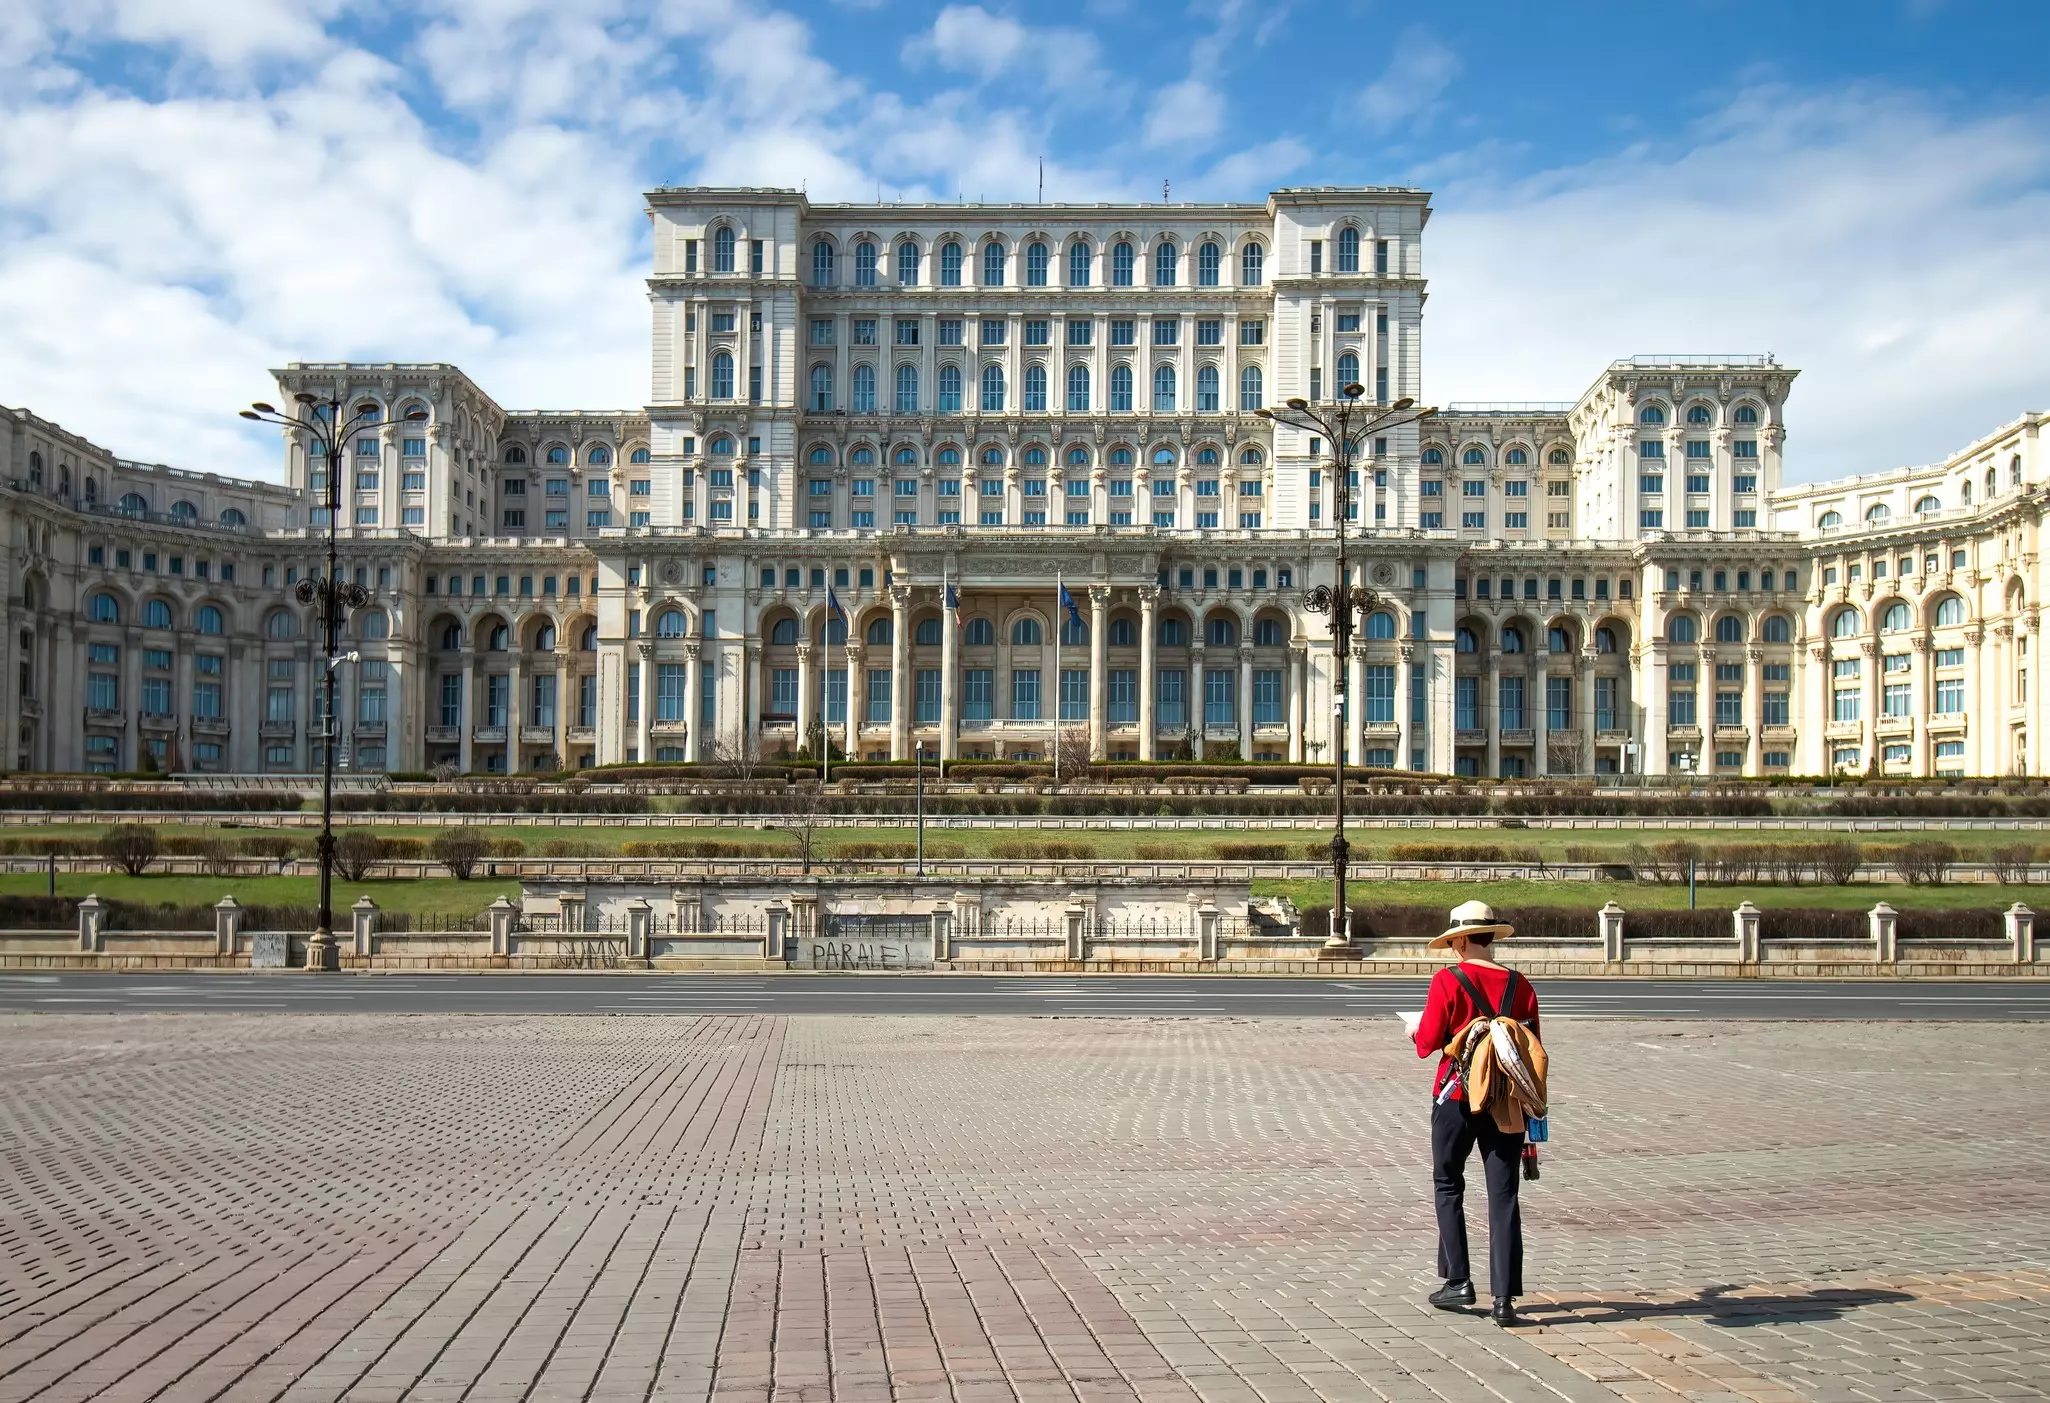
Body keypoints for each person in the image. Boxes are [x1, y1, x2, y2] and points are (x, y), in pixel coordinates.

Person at [1411, 899, 1540, 1326]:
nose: (1451, 949)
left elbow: (1427, 1041)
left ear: (1464, 939)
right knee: (1504, 1196)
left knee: (1448, 1183)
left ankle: (1458, 1282)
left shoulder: (1448, 981)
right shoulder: (1521, 986)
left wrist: (1415, 1029)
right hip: (1505, 1101)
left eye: (1453, 941)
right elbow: (1532, 1047)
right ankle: (1504, 1299)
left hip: (1455, 1095)